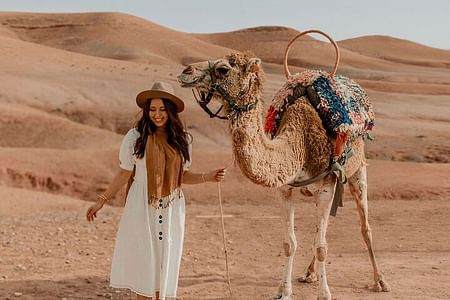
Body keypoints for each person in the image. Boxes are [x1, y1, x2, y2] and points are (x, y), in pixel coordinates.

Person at [86, 81, 226, 300]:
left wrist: (208, 177)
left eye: (162, 109)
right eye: (152, 109)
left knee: (165, 262)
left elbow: (181, 177)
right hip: (142, 205)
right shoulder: (135, 137)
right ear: (146, 111)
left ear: (170, 111)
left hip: (171, 206)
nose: (157, 114)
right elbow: (124, 172)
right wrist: (101, 200)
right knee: (146, 264)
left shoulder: (183, 140)